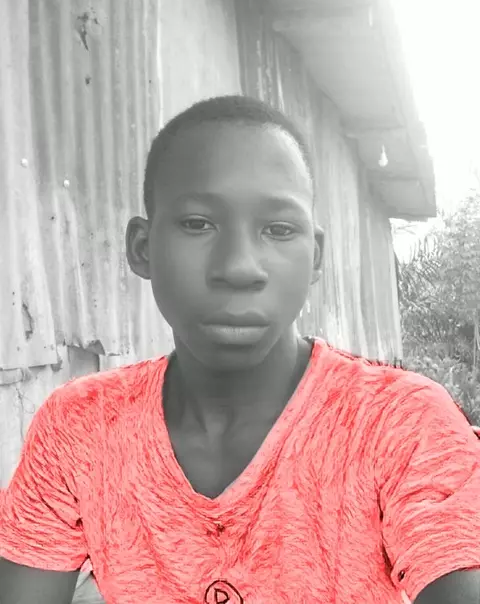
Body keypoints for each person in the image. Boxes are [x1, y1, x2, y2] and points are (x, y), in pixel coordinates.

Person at [1, 95, 480, 604]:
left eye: (278, 230)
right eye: (198, 223)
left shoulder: (400, 423)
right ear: (142, 248)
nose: (239, 268)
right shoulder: (80, 427)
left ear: (315, 258)